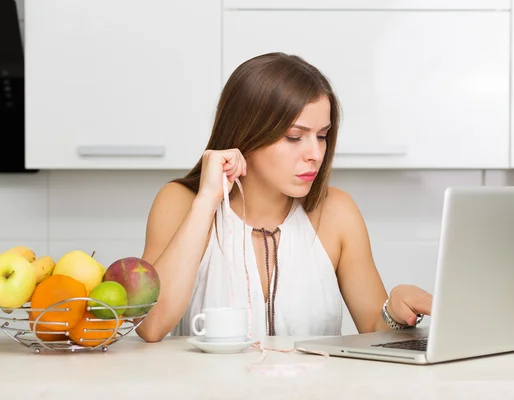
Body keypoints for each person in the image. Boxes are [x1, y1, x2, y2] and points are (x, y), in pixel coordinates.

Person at [136, 52, 433, 343]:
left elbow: (375, 329)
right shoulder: (179, 203)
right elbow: (150, 326)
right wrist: (207, 202)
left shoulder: (338, 212)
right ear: (247, 133)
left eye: (322, 136)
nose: (316, 154)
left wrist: (394, 311)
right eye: (294, 136)